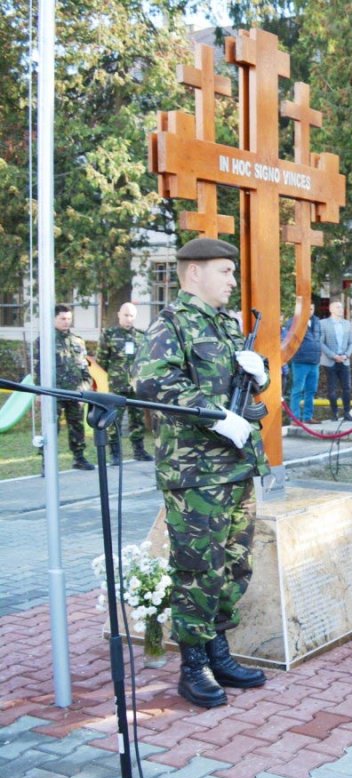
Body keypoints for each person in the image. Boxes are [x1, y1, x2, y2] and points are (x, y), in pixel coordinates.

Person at [134, 236, 270, 708]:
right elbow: (153, 382)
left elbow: (238, 382)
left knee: (234, 564)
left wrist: (260, 375)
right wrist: (215, 416)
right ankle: (193, 667)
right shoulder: (171, 324)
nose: (233, 280)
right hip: (196, 474)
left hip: (234, 467)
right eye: (225, 271)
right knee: (198, 569)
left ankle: (219, 651)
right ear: (194, 273)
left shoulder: (227, 326)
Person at [36, 304, 95, 470]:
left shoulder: (77, 341)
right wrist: (38, 392)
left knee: (76, 425)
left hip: (75, 391)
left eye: (69, 319)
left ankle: (79, 458)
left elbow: (84, 367)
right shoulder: (45, 340)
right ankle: (46, 462)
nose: (66, 322)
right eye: (62, 318)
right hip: (53, 391)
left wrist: (85, 389)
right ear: (54, 319)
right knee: (50, 426)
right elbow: (38, 367)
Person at [96, 303, 154, 464]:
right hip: (117, 384)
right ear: (119, 315)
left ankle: (139, 450)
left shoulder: (142, 336)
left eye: (132, 316)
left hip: (136, 385)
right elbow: (101, 360)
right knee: (115, 419)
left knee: (137, 419)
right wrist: (116, 374)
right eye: (126, 315)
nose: (129, 319)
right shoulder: (109, 334)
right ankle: (115, 453)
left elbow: (145, 360)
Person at [284, 299, 322, 423]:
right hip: (300, 361)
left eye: (312, 309)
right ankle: (295, 418)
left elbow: (318, 339)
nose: (310, 311)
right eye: (308, 309)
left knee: (311, 391)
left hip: (314, 361)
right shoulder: (294, 322)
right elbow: (288, 338)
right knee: (297, 390)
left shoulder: (317, 321)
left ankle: (307, 417)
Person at [320, 301, 352, 421]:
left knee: (347, 387)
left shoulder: (347, 324)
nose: (340, 309)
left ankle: (347, 412)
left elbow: (351, 342)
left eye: (341, 307)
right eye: (338, 307)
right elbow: (321, 342)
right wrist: (333, 355)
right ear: (331, 309)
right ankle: (334, 413)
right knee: (332, 388)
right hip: (330, 361)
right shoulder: (323, 324)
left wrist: (346, 355)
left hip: (344, 360)